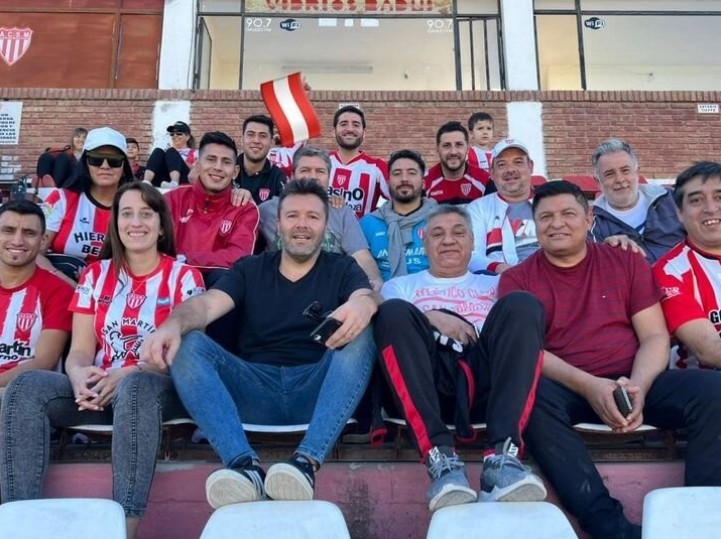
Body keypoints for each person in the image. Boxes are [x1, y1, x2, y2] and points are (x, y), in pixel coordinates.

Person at [499, 180, 721, 539]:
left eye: (568, 213)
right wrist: (590, 386)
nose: (557, 224)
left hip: (634, 380)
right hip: (566, 387)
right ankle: (608, 527)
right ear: (534, 225)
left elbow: (654, 336)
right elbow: (530, 353)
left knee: (714, 391)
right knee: (532, 401)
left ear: (590, 219)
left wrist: (638, 386)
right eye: (546, 217)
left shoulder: (626, 261)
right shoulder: (517, 280)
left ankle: (700, 518)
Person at [140, 179, 378, 508]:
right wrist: (173, 324)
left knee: (362, 328)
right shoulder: (250, 269)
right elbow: (206, 305)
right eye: (292, 216)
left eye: (312, 217)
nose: (302, 225)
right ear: (277, 223)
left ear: (325, 226)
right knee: (189, 341)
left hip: (319, 390)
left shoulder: (342, 268)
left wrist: (365, 303)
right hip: (254, 389)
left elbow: (366, 295)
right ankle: (243, 466)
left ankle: (305, 464)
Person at [0, 181, 205, 539]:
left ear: (161, 225)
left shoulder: (185, 277)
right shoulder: (95, 275)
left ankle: (123, 530)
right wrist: (78, 374)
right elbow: (80, 349)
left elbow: (187, 355)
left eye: (146, 214)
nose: (135, 222)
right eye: (127, 213)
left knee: (136, 387)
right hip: (97, 391)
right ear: (116, 223)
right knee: (26, 387)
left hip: (158, 388)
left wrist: (127, 373)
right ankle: (16, 524)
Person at [374, 204, 546, 512]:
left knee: (523, 304)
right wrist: (430, 316)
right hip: (429, 384)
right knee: (393, 312)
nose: (448, 240)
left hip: (485, 385)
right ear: (424, 241)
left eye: (458, 233)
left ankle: (503, 457)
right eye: (437, 234)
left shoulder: (496, 285)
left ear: (472, 241)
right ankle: (440, 459)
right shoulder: (400, 286)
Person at [259, 146, 382, 290]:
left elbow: (360, 255)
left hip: (329, 289)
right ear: (291, 176)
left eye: (320, 171)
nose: (313, 176)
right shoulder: (267, 210)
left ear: (329, 178)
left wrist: (374, 281)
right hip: (280, 289)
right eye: (305, 170)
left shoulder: (340, 211)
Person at [0, 200, 74, 403]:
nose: (17, 240)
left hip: (20, 394)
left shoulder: (59, 291)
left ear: (43, 241)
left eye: (29, 233)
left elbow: (43, 362)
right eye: (8, 230)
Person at [654, 161, 721, 369]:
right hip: (708, 382)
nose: (711, 209)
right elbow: (709, 351)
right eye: (696, 200)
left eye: (719, 197)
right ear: (679, 213)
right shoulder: (668, 271)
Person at [165, 131, 258, 271]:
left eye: (226, 162)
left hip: (220, 283)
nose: (218, 167)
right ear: (197, 165)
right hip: (171, 279)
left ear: (235, 171)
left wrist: (184, 259)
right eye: (211, 159)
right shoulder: (172, 199)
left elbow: (239, 256)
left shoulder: (244, 208)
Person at [43, 126, 134, 263]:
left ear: (124, 167)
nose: (105, 166)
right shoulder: (60, 199)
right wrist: (58, 274)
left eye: (114, 160)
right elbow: (33, 253)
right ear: (85, 163)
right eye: (96, 159)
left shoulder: (136, 208)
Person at [590, 138, 684, 264]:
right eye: (609, 174)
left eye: (625, 170)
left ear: (636, 173)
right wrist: (606, 250)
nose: (620, 179)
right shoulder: (594, 225)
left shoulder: (672, 200)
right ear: (598, 182)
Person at [360, 150, 437, 281]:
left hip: (433, 291)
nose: (404, 179)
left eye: (412, 173)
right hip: (383, 291)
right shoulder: (367, 224)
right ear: (388, 183)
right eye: (397, 173)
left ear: (424, 183)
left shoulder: (441, 220)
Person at [467, 138, 537, 273]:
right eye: (502, 164)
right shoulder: (477, 209)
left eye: (518, 162)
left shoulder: (553, 204)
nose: (510, 169)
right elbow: (471, 255)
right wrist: (501, 268)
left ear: (530, 167)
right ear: (492, 173)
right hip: (499, 280)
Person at [329, 105, 389, 219]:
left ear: (364, 132)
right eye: (343, 124)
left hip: (360, 231)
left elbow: (402, 201)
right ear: (334, 131)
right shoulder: (319, 162)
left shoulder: (377, 167)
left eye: (356, 125)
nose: (350, 129)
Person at [424, 121, 494, 205]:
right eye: (446, 145)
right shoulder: (424, 182)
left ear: (468, 149)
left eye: (459, 144)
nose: (453, 152)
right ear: (437, 150)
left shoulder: (485, 180)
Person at [234, 114, 287, 205]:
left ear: (271, 142)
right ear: (242, 140)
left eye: (262, 136)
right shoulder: (228, 169)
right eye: (250, 134)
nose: (256, 140)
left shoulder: (278, 178)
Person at [143, 121, 197, 188]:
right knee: (158, 151)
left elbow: (197, 172)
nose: (175, 136)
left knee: (171, 151)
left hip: (184, 179)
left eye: (179, 133)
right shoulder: (168, 152)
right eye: (172, 134)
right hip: (164, 180)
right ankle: (146, 182)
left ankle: (174, 183)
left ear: (187, 136)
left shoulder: (195, 153)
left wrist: (178, 159)